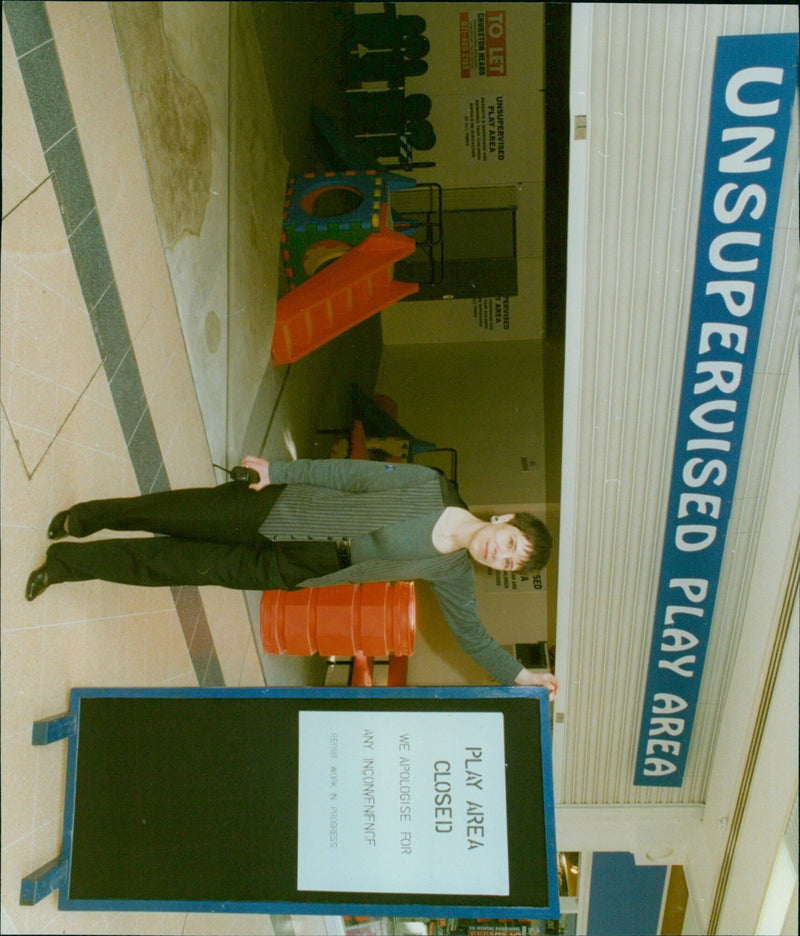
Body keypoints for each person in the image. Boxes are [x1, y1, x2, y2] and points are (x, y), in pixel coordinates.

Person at [26, 457, 559, 696]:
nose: (500, 554)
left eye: (509, 563)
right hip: (285, 511)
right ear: (503, 521)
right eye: (510, 544)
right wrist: (277, 472)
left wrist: (524, 676)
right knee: (171, 514)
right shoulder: (429, 486)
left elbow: (475, 638)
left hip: (296, 569)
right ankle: (85, 519)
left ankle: (68, 567)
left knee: (175, 564)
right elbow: (351, 474)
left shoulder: (452, 572)